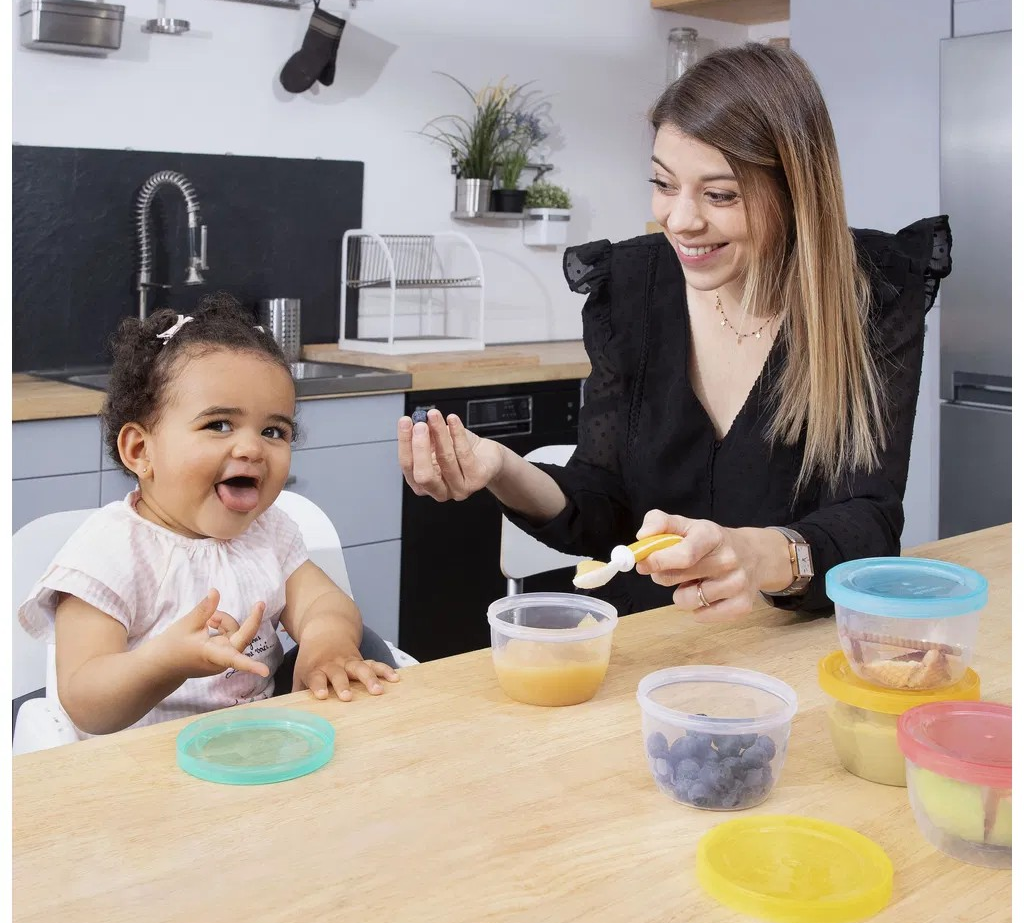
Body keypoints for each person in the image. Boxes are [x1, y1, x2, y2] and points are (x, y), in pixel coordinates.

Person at [398, 43, 951, 621]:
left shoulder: (874, 292)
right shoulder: (631, 288)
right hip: (649, 643)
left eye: (720, 195)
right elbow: (603, 508)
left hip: (788, 644)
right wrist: (502, 467)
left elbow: (869, 521)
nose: (680, 220)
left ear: (794, 193)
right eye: (664, 184)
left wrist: (756, 556)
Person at [19, 294, 399, 737]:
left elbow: (322, 602)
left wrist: (325, 644)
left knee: (365, 643)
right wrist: (167, 662)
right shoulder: (110, 551)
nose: (252, 448)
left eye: (273, 431)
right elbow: (87, 702)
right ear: (141, 451)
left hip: (255, 750)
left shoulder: (267, 532)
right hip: (140, 774)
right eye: (218, 424)